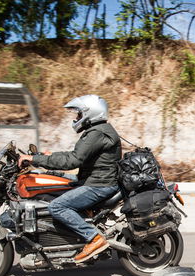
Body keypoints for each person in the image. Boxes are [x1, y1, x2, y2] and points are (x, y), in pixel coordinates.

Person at [18, 94, 122, 263]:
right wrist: (47, 156)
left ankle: (94, 238)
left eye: (79, 114)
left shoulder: (97, 133)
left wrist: (35, 160)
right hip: (94, 179)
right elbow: (75, 155)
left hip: (99, 184)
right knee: (53, 178)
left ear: (91, 113)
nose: (77, 118)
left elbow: (73, 160)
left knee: (57, 206)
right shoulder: (98, 131)